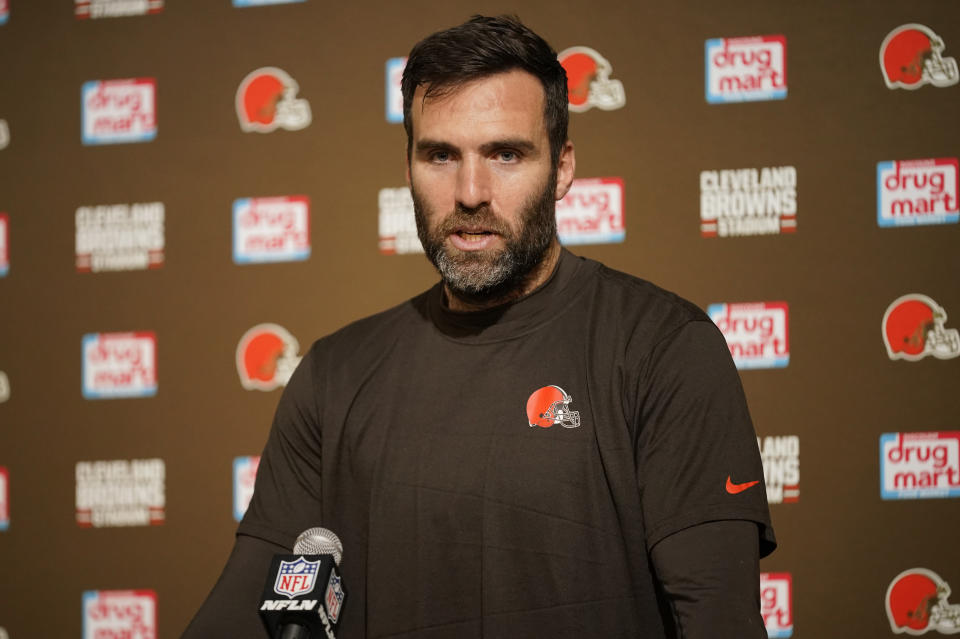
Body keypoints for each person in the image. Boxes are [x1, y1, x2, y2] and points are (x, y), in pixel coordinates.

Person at [183, 15, 775, 639]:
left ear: (563, 167)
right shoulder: (334, 374)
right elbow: (242, 614)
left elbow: (718, 619)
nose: (470, 192)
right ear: (408, 167)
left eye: (506, 154)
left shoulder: (663, 348)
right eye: (440, 155)